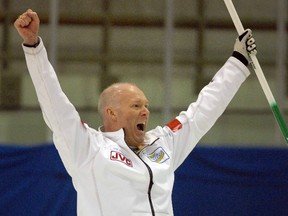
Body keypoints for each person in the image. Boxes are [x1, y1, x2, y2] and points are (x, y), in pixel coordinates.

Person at [14, 9, 256, 216]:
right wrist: (34, 49)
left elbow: (203, 110)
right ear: (111, 113)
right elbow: (55, 105)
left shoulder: (163, 144)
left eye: (146, 106)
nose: (145, 112)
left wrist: (238, 61)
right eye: (136, 106)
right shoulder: (88, 148)